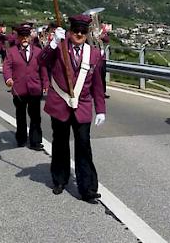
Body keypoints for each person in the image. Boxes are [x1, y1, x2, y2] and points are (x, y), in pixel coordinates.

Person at [40, 14, 106, 204]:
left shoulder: (94, 54)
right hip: (60, 102)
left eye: (82, 31)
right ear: (69, 32)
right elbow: (41, 62)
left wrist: (100, 109)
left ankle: (88, 188)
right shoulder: (59, 48)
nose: (78, 34)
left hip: (82, 105)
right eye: (75, 31)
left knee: (84, 145)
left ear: (86, 34)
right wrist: (53, 44)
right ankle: (60, 179)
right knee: (60, 143)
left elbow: (98, 85)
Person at [3, 23, 49, 150]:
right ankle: (21, 139)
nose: (24, 39)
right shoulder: (11, 52)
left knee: (35, 116)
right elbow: (7, 67)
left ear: (30, 37)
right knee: (20, 114)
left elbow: (43, 68)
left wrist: (45, 83)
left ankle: (35, 141)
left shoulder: (39, 51)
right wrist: (8, 79)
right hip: (19, 89)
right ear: (18, 38)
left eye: (26, 36)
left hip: (35, 88)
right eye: (22, 36)